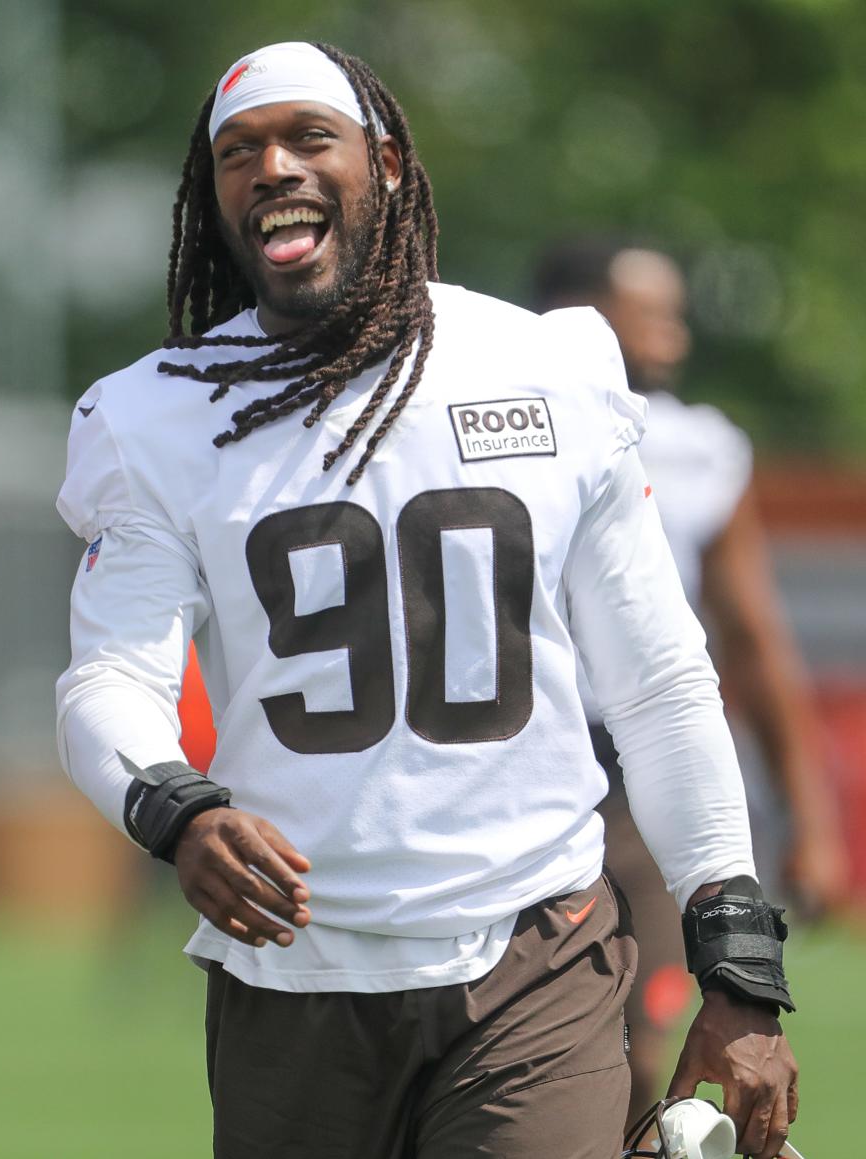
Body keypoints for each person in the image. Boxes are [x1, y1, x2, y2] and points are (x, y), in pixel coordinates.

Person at [55, 43, 798, 1159]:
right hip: (293, 975)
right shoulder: (160, 415)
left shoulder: (545, 366)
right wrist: (177, 806)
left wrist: (740, 963)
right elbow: (111, 675)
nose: (273, 167)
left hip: (532, 951)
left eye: (311, 137)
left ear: (389, 164)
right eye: (239, 152)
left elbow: (659, 682)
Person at [534, 239, 845, 1125]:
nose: (672, 325)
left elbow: (750, 638)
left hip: (638, 777)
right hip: (522, 759)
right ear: (577, 315)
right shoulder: (489, 421)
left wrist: (809, 816)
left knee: (645, 1037)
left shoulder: (701, 449)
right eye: (647, 305)